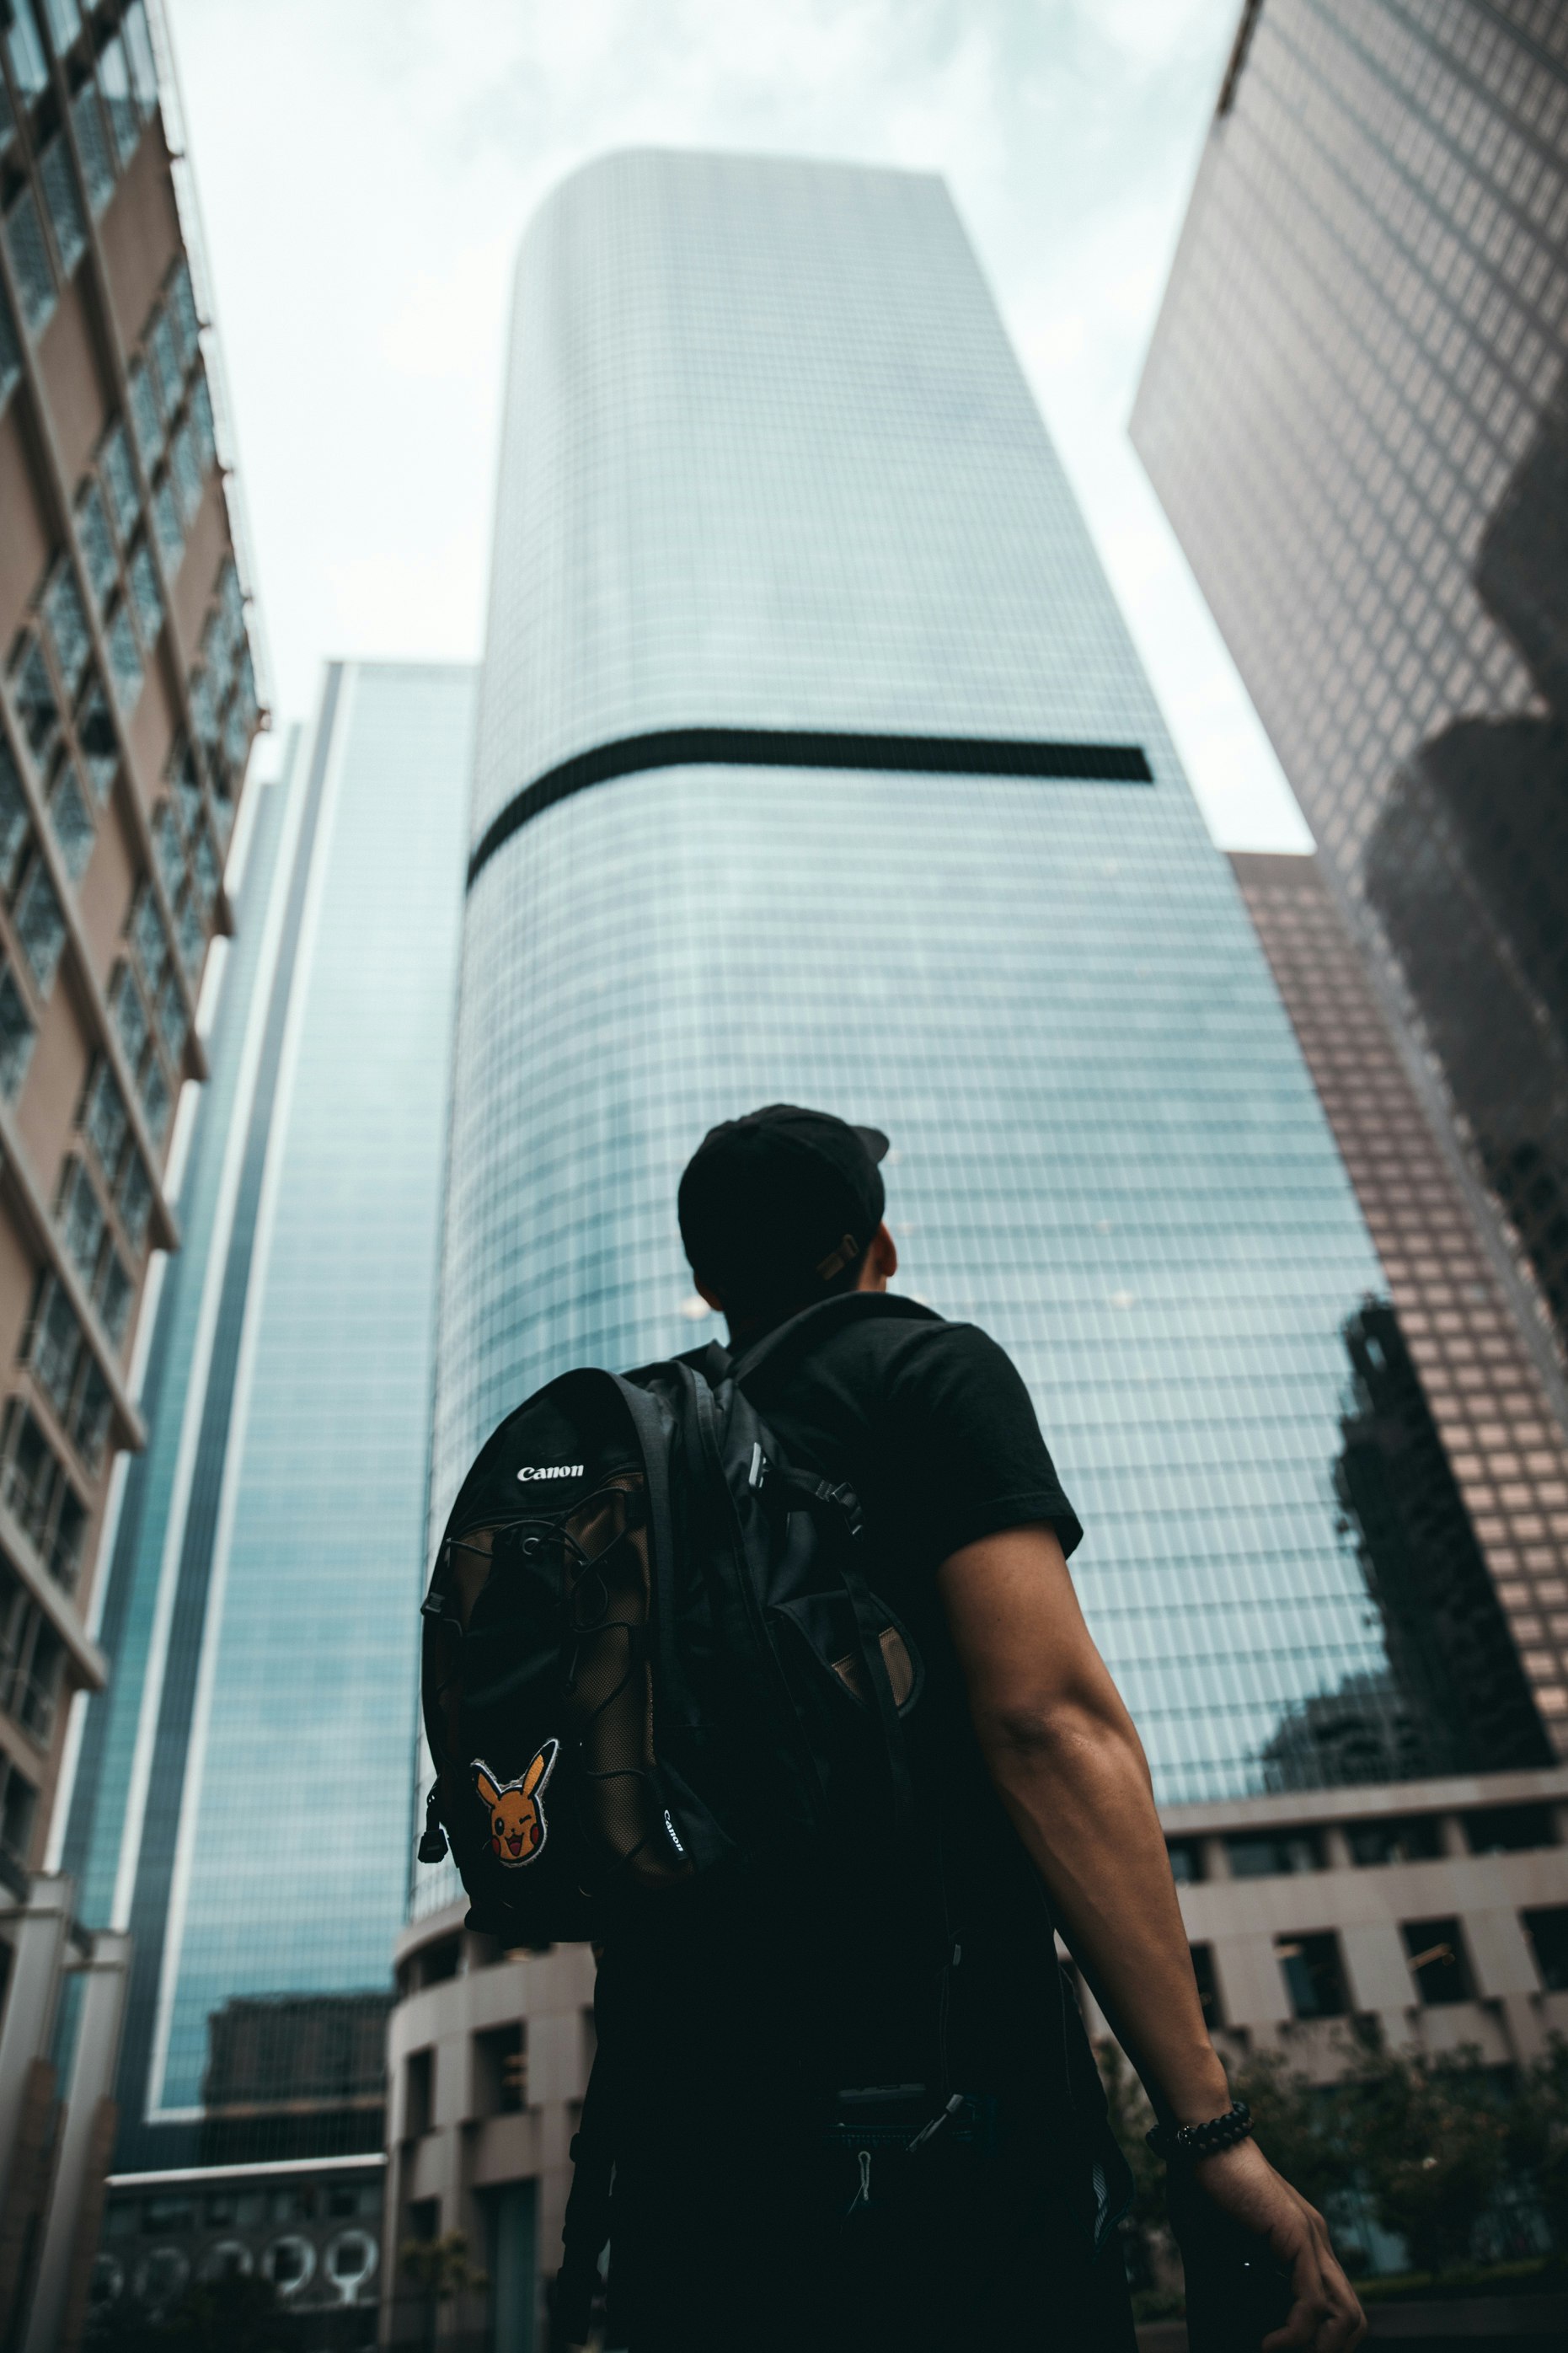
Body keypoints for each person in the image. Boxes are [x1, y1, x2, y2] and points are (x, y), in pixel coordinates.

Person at [587, 1104, 1366, 2353]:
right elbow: (1047, 1725)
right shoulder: (922, 1371)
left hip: (685, 2134)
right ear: (872, 1251)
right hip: (944, 2105)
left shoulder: (647, 1461)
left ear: (706, 1281)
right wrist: (1211, 2132)